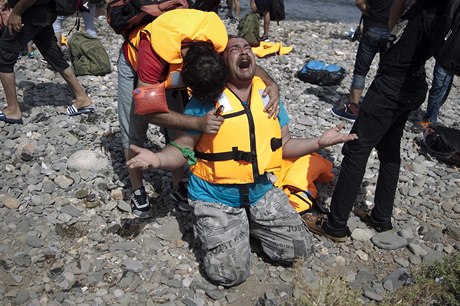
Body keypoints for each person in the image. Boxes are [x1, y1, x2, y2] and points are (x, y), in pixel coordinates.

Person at [127, 36, 357, 286]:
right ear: (224, 62)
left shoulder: (268, 96)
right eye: (234, 49)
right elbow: (182, 150)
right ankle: (222, 225)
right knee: (228, 275)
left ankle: (249, 224)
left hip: (260, 190)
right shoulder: (205, 100)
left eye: (247, 47)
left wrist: (319, 142)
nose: (243, 51)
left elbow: (285, 146)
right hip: (215, 195)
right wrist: (157, 160)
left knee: (299, 250)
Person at [306, 0, 447, 242]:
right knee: (389, 149)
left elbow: (390, 26)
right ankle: (381, 217)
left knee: (355, 150)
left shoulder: (423, 11)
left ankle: (335, 225)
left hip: (391, 85)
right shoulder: (440, 11)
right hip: (413, 83)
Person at [117, 9, 280, 218]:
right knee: (134, 128)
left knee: (179, 124)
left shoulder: (217, 41)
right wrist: (197, 123)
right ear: (183, 74)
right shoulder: (153, 54)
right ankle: (137, 189)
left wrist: (271, 83)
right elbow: (147, 112)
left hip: (178, 59)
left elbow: (243, 60)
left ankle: (178, 185)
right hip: (133, 60)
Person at [0, 0, 94, 125]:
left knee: (4, 56)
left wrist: (16, 12)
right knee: (52, 54)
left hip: (32, 12)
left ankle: (13, 110)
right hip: (45, 12)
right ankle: (82, 97)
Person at [331, 0, 393, 122]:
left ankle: (352, 108)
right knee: (385, 71)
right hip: (391, 30)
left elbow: (359, 2)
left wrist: (372, 12)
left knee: (361, 70)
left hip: (373, 27)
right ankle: (380, 107)